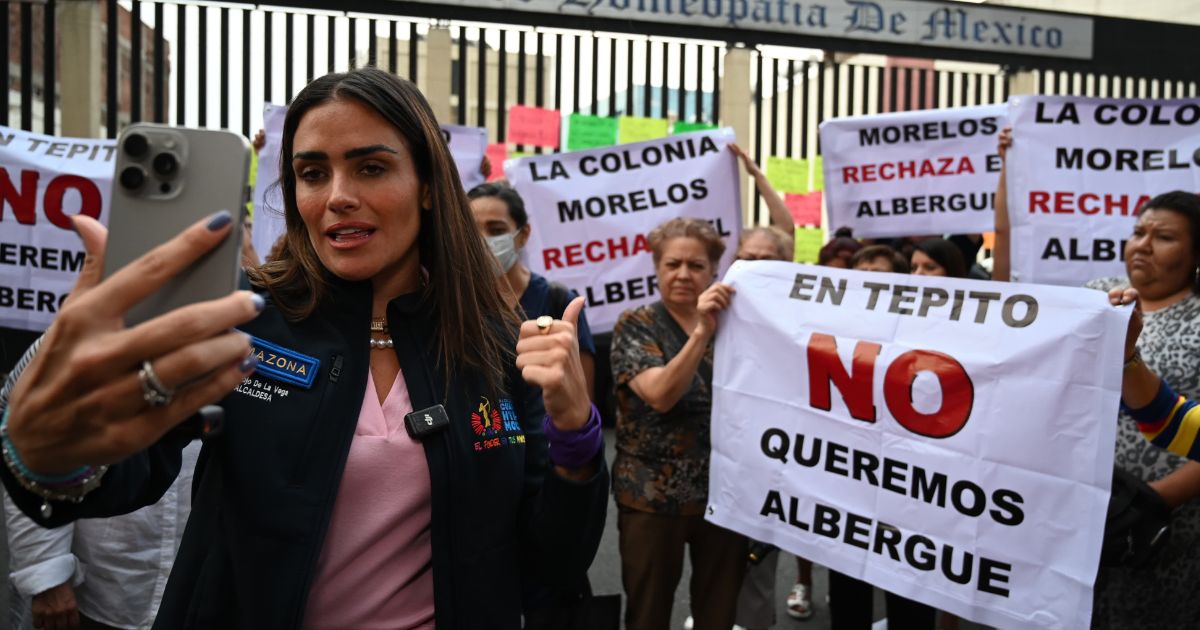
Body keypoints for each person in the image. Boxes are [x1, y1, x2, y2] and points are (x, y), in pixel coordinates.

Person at [0, 67, 608, 629]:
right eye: (312, 174)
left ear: (427, 185)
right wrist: (52, 459)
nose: (337, 195)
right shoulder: (243, 320)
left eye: (371, 168)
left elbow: (551, 563)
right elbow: (127, 474)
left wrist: (575, 435)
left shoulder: (495, 342)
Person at [995, 127, 1200, 628]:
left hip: (1164, 524)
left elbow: (1178, 427)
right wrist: (1009, 170)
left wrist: (1153, 501)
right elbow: (1006, 294)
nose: (1143, 246)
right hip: (1072, 510)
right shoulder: (1096, 295)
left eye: (1164, 237)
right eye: (1138, 232)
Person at [610, 217, 745, 630]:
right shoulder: (636, 323)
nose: (683, 274)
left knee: (718, 611)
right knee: (648, 612)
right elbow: (660, 394)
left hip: (724, 497)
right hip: (652, 498)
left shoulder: (739, 328)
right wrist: (702, 333)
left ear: (714, 271)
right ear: (656, 268)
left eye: (696, 265)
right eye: (672, 264)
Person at [467, 181, 596, 398]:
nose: (483, 241)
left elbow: (583, 397)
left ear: (523, 234)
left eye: (496, 230)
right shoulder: (455, 304)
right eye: (472, 231)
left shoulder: (557, 300)